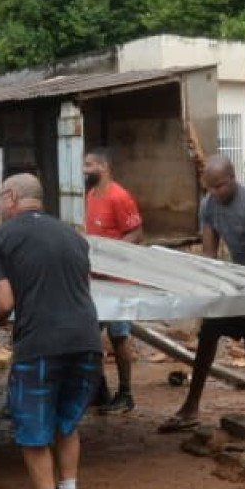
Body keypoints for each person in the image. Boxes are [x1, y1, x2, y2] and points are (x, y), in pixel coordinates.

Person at [0, 172, 102, 489]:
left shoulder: (0, 238)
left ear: (12, 197)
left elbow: (4, 301)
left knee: (32, 431)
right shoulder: (75, 238)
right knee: (66, 425)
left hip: (41, 345)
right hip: (87, 341)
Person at [159, 154, 245, 436]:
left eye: (219, 187)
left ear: (232, 180)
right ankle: (191, 407)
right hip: (235, 277)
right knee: (208, 336)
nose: (214, 193)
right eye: (209, 188)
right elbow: (209, 254)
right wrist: (208, 288)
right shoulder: (209, 205)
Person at [82, 146, 143, 414]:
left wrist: (110, 255)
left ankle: (126, 393)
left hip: (118, 281)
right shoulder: (90, 195)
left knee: (119, 337)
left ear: (103, 168)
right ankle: (99, 390)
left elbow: (136, 234)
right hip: (95, 279)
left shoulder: (119, 197)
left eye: (90, 165)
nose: (85, 170)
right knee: (90, 335)